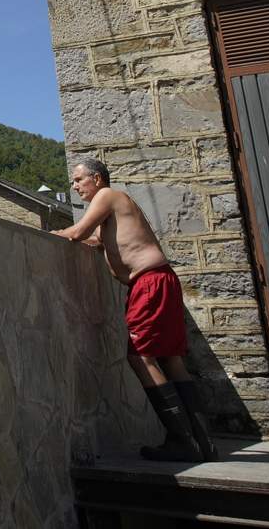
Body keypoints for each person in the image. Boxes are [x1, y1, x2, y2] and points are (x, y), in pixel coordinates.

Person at [52, 157, 217, 462]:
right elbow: (98, 240)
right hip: (160, 279)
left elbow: (78, 233)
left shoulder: (107, 195)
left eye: (78, 180)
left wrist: (55, 235)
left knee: (140, 357)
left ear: (97, 178)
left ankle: (183, 441)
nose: (74, 186)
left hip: (149, 283)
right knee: (170, 359)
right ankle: (203, 442)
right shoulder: (113, 206)